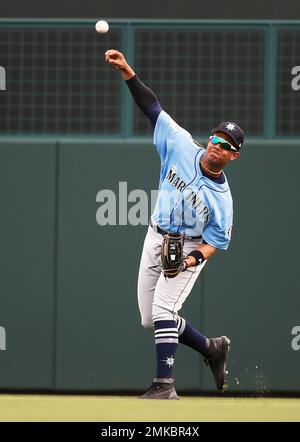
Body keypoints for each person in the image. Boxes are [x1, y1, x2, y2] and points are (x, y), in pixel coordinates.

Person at [105, 49, 245, 400]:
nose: (218, 146)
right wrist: (127, 72)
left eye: (227, 146)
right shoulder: (181, 144)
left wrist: (187, 262)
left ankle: (164, 386)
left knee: (165, 310)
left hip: (187, 247)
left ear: (233, 156)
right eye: (216, 138)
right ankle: (212, 348)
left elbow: (214, 244)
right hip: (155, 235)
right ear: (209, 138)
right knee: (150, 321)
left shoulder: (222, 201)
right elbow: (152, 108)